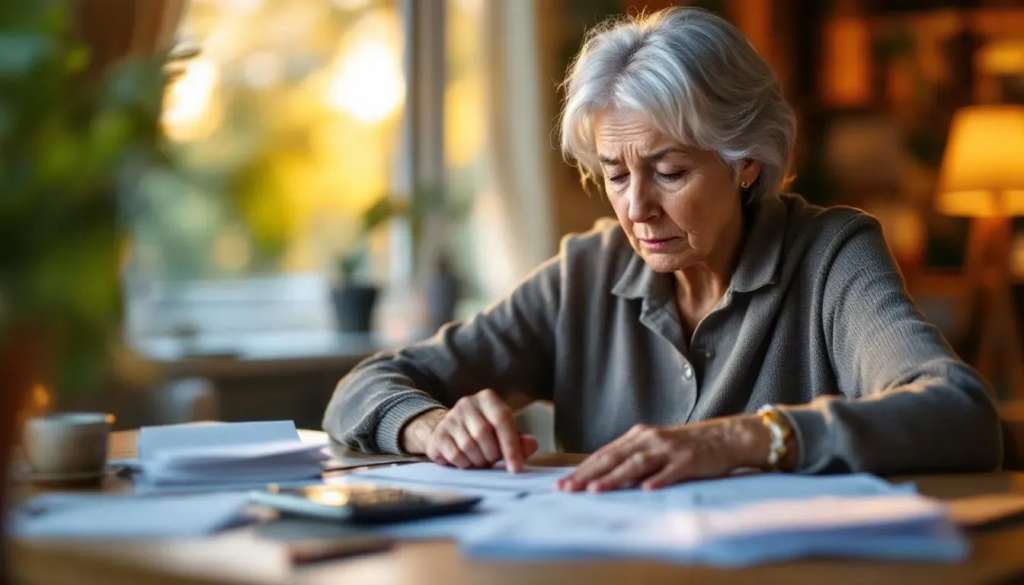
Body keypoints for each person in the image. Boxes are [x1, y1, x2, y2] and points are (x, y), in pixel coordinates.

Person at [323, 7, 1002, 492]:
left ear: (746, 163)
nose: (636, 207)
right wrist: (431, 426)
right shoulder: (586, 272)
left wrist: (743, 438)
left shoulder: (831, 255)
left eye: (669, 171)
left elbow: (960, 414)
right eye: (616, 175)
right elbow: (364, 388)